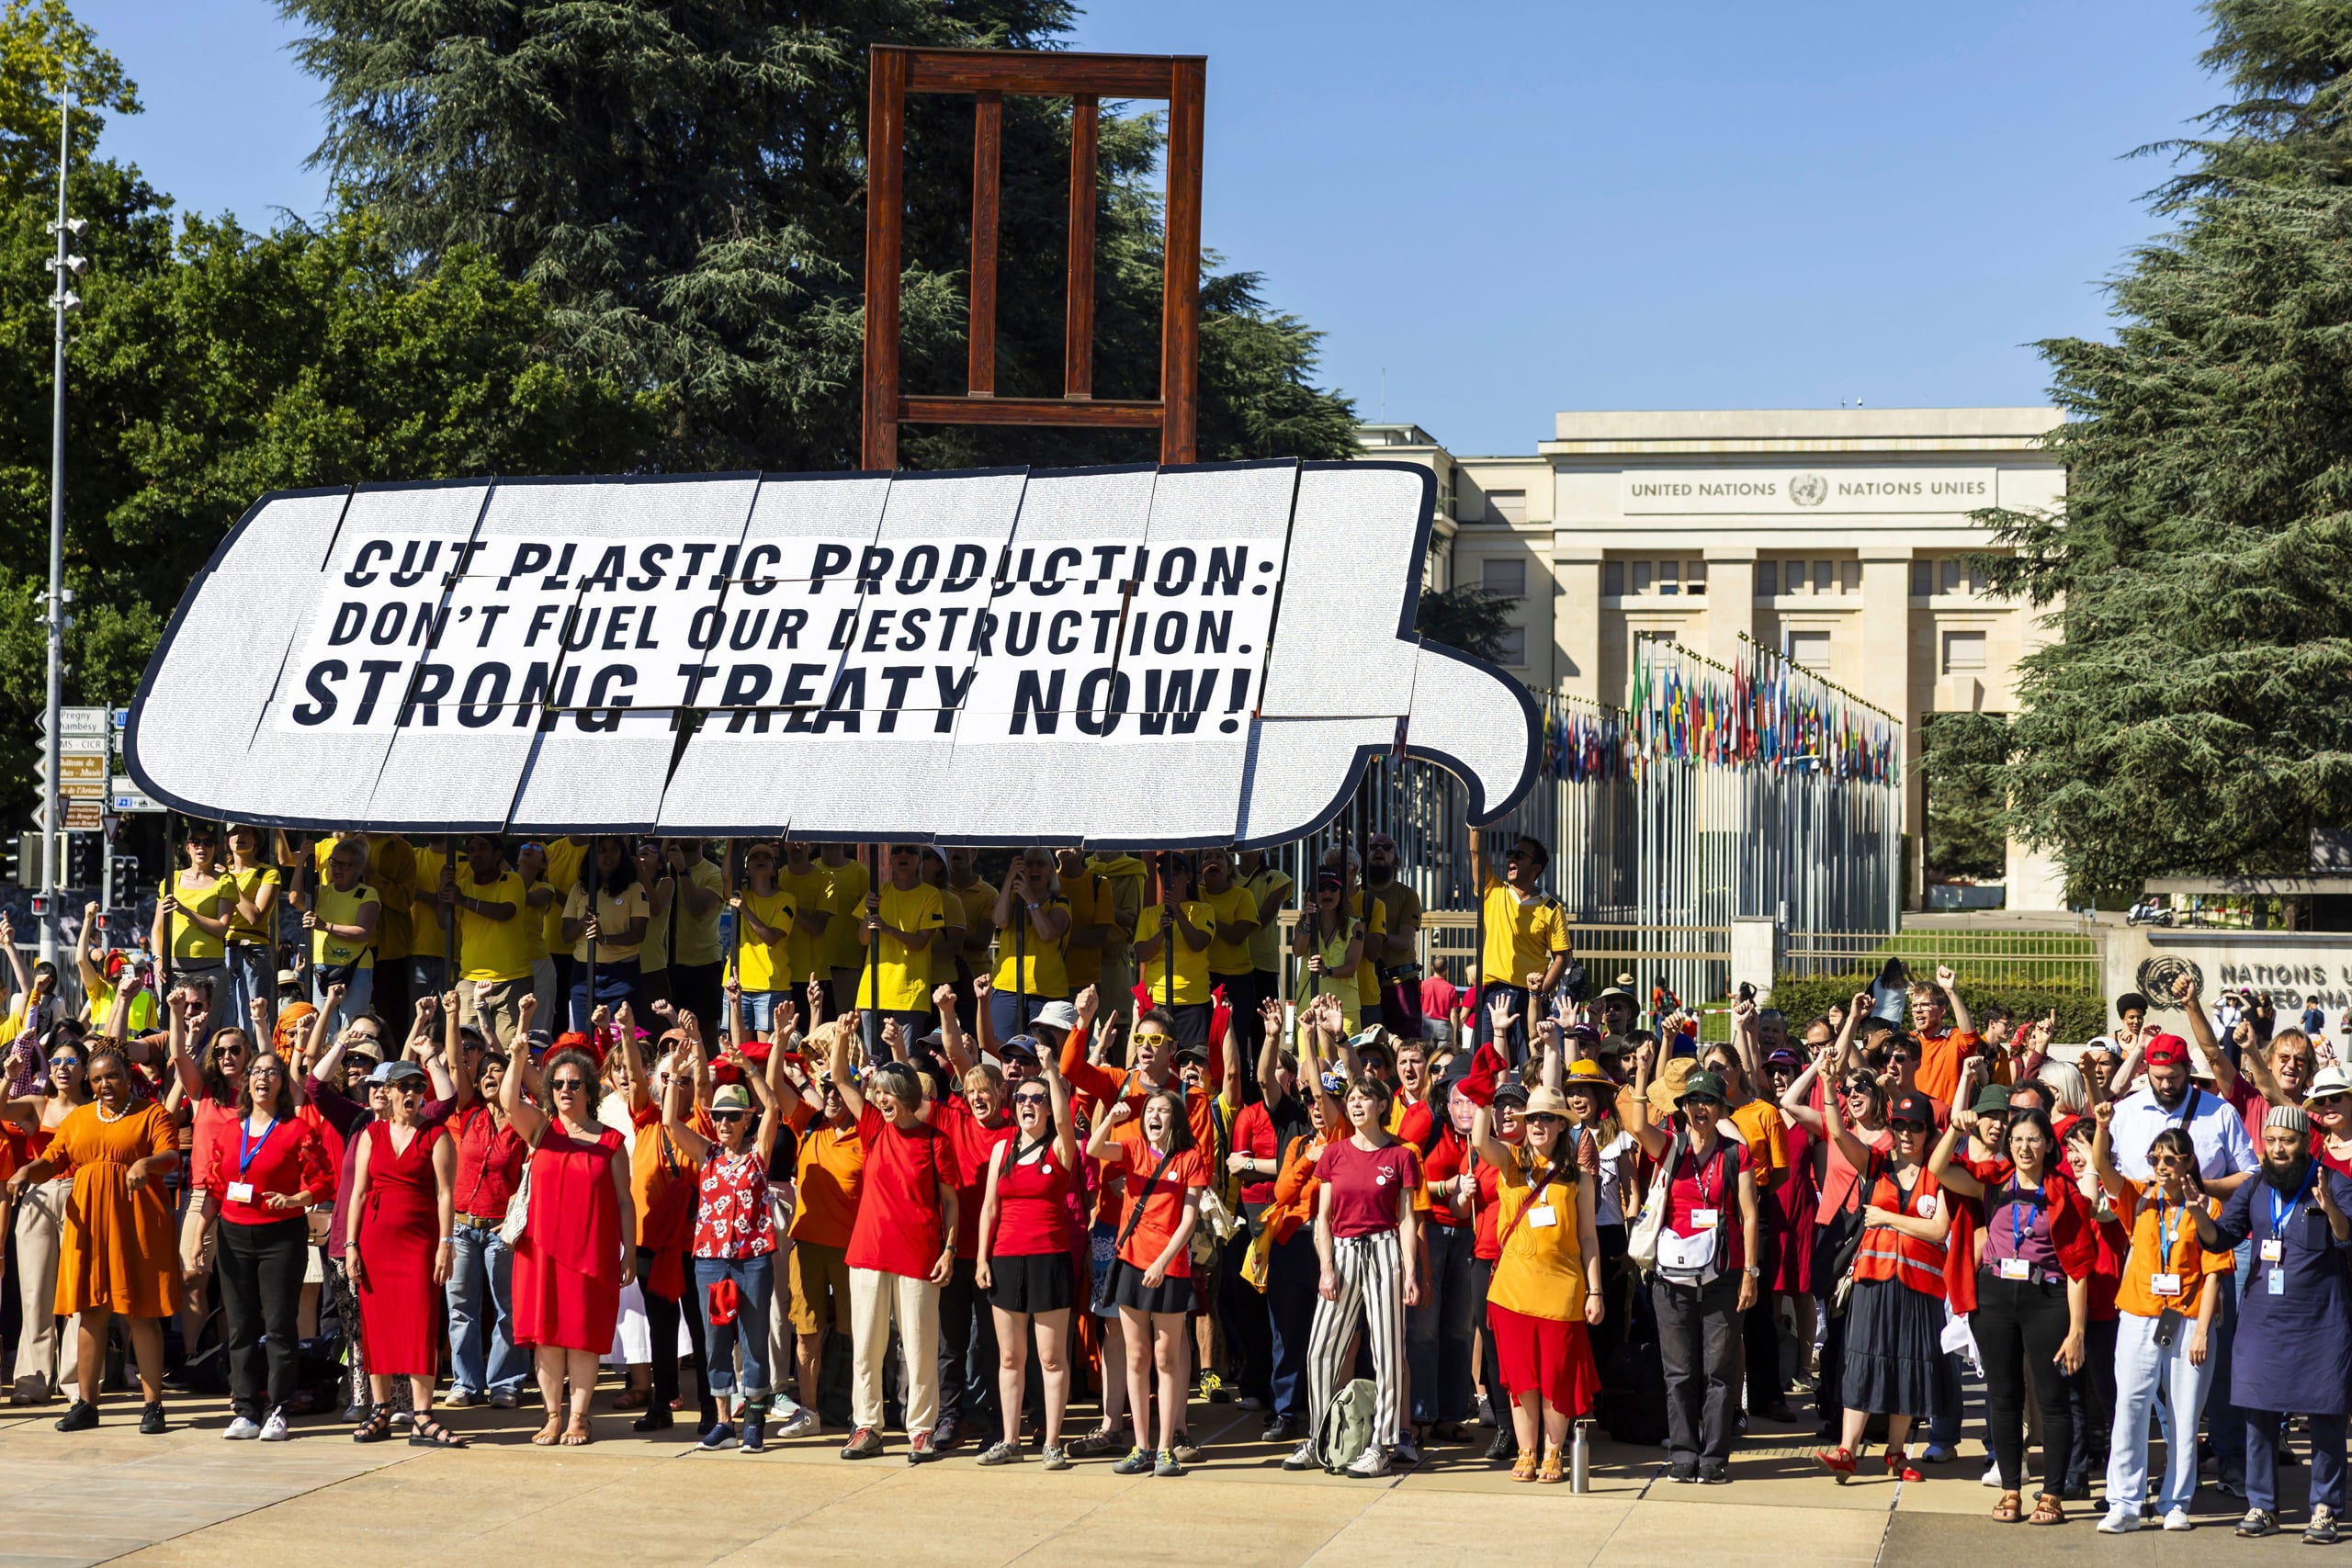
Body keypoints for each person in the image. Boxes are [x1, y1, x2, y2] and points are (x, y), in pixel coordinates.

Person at [1929, 1089, 2093, 1524]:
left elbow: (2078, 1268)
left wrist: (2076, 1330)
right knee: (2003, 1397)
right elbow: (1939, 1168)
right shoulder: (1992, 1180)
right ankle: (2010, 1488)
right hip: (1996, 1297)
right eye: (2017, 1139)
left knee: (2051, 1397)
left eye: (2034, 1140)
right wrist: (1953, 1129)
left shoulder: (2065, 1193)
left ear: (2048, 1146)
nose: (2024, 1147)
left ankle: (2052, 1494)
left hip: (2047, 1299)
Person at [6, 1044, 180, 1433]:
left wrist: (145, 1163)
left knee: (141, 1311)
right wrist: (25, 1172)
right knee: (90, 1311)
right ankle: (86, 1403)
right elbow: (52, 1159)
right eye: (98, 1078)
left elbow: (170, 1156)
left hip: (136, 1219)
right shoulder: (80, 1118)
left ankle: (153, 1405)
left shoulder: (150, 1113)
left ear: (127, 1075)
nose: (104, 1084)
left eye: (112, 1076)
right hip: (89, 1221)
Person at [2205, 1104, 2352, 1542]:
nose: (2277, 1149)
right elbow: (2223, 1236)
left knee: (2327, 1415)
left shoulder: (2334, 1182)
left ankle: (2325, 1508)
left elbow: (2348, 1236)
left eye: (2286, 1141)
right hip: (2262, 1322)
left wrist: (2331, 1213)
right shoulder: (2255, 1186)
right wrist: (2197, 1213)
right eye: (2270, 1141)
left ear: (2305, 1142)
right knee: (2258, 1414)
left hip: (2321, 1322)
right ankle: (2262, 1505)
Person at [2086, 1106, 2231, 1533]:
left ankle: (2176, 1501)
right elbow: (2100, 1165)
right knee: (2130, 1407)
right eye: (2155, 1158)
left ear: (2188, 1162)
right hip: (2139, 1314)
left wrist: (2203, 1330)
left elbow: (2213, 1273)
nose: (2161, 1166)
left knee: (2185, 1414)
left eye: (2170, 1159)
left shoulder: (2208, 1207)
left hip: (2186, 1320)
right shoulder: (2140, 1196)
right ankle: (2125, 1503)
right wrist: (2102, 1126)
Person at [828, 1016, 962, 1462]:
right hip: (868, 1253)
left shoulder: (935, 1141)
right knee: (865, 1345)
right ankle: (866, 1426)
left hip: (920, 1254)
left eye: (887, 1092)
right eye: (877, 1092)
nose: (879, 1098)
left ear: (906, 1096)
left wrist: (950, 1249)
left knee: (920, 1346)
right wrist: (844, 1038)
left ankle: (921, 1431)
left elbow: (951, 1202)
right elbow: (840, 1078)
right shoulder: (871, 1127)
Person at [1272, 1071, 1418, 1480]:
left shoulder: (1400, 1155)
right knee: (1320, 1350)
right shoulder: (1334, 1154)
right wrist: (1326, 1267)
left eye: (1365, 1099)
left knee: (1387, 1352)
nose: (1356, 1104)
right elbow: (1322, 1218)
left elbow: (1406, 1218)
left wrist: (1409, 1271)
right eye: (1351, 1099)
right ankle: (1322, 1438)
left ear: (1382, 1106)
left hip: (1385, 1247)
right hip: (1343, 1249)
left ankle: (1383, 1444)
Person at [1629, 1063, 1759, 1482]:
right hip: (1673, 1275)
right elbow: (1636, 1125)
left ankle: (1715, 1455)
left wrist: (1750, 1273)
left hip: (1724, 1271)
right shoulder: (1670, 1146)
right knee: (1679, 1371)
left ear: (1722, 1107)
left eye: (1709, 1100)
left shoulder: (1735, 1152)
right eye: (1694, 1100)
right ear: (1683, 1107)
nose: (1701, 1107)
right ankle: (1684, 1451)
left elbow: (1749, 1214)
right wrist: (1643, 1073)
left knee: (1720, 1371)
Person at [660, 1035, 791, 1453]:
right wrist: (675, 1074)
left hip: (752, 1260)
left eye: (733, 1116)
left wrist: (749, 1068)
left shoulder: (758, 1155)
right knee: (717, 1339)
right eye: (719, 1116)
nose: (725, 1123)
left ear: (746, 1120)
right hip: (713, 1261)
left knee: (754, 1338)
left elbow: (773, 1108)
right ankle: (722, 1422)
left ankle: (753, 1421)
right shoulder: (709, 1154)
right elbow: (669, 1124)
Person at [1815, 1085, 1951, 1484]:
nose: (1906, 1133)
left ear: (1928, 1131)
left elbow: (1938, 1229)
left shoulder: (1938, 1173)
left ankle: (1896, 1454)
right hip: (1873, 1281)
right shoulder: (1876, 1163)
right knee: (1862, 1360)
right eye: (1899, 1125)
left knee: (1907, 1366)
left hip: (1919, 1286)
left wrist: (1888, 1218)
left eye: (1915, 1126)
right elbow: (1839, 1134)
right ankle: (1847, 1451)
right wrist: (1828, 1080)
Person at [1470, 1077, 1601, 1483]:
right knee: (1522, 1379)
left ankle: (1553, 1453)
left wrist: (1595, 1290)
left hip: (1562, 1292)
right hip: (1511, 1291)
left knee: (1555, 1378)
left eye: (1547, 1117)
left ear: (1562, 1124)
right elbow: (1478, 1141)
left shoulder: (1577, 1176)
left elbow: (1587, 1238)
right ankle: (1526, 1452)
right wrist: (1482, 1093)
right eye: (1532, 1118)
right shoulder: (1510, 1160)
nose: (1537, 1124)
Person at [503, 1042, 634, 1446]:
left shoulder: (611, 1142)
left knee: (581, 1334)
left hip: (591, 1252)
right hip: (539, 1251)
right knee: (544, 1336)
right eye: (558, 1083)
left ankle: (579, 1417)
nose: (565, 1089)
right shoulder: (542, 1130)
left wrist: (628, 1250)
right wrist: (517, 1058)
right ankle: (553, 1414)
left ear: (590, 1091)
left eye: (575, 1083)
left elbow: (625, 1202)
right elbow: (508, 1102)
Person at [202, 1049, 332, 1441]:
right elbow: (214, 1185)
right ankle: (245, 1409)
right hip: (234, 1235)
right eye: (256, 1071)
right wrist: (197, 1235)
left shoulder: (297, 1130)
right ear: (246, 1081)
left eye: (271, 1073)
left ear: (281, 1083)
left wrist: (296, 1200)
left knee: (278, 1326)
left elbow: (324, 1179)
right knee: (239, 1325)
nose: (263, 1078)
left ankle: (278, 1408)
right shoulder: (229, 1130)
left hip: (281, 1236)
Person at [1090, 1086, 1211, 1477]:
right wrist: (1111, 1118)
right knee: (1136, 1355)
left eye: (1162, 1110)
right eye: (1150, 1110)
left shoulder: (1191, 1158)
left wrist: (1163, 1261)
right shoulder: (1134, 1148)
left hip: (1169, 1268)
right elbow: (1094, 1149)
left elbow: (1189, 1218)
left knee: (1166, 1356)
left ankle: (1165, 1447)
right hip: (1130, 1264)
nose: (1154, 1116)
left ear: (1175, 1119)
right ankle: (1140, 1446)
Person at [345, 1058, 465, 1448]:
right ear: (389, 1092)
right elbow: (358, 1193)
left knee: (420, 1323)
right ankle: (381, 1409)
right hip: (375, 1242)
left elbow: (446, 1194)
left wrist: (446, 1244)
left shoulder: (435, 1135)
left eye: (418, 1087)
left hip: (419, 1243)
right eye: (403, 1087)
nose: (411, 1094)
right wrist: (350, 1245)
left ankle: (423, 1415)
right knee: (376, 1326)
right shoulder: (370, 1134)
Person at [973, 1034, 1080, 1467]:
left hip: (1049, 1258)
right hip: (1005, 1258)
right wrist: (982, 1258)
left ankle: (1052, 1440)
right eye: (1021, 1099)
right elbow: (988, 1208)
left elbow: (1067, 1123)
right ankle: (1011, 1439)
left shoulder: (1060, 1146)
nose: (1029, 1104)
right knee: (1010, 1356)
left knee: (1051, 1358)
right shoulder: (1002, 1148)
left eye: (1037, 1098)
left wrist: (1051, 1072)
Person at [444, 1008, 527, 1410]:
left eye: (500, 1072)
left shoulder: (522, 1123)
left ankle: (506, 1383)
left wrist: (521, 1032)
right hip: (461, 1226)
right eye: (486, 1073)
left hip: (500, 1231)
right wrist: (452, 1015)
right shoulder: (468, 1112)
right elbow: (456, 1065)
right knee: (460, 1309)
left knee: (507, 1309)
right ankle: (465, 1383)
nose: (492, 1076)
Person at [6, 1034, 91, 1403]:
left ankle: (77, 1382)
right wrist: (8, 1077)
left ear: (85, 1069)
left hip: (83, 1194)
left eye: (71, 1062)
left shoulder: (94, 1108)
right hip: (40, 1196)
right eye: (55, 1062)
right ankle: (32, 1381)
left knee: (78, 1294)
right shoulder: (37, 1104)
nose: (62, 1069)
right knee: (35, 1292)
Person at [1464, 828, 1569, 1061]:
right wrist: (1476, 825)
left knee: (1532, 1067)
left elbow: (1562, 956)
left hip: (1529, 998)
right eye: (1510, 853)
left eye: (1519, 855)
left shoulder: (1552, 908)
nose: (1511, 859)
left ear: (1536, 868)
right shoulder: (1493, 889)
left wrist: (1539, 994)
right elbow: (1475, 853)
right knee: (1482, 1067)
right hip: (1492, 994)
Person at [293, 836, 381, 1032]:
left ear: (358, 868)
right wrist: (301, 863)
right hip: (322, 966)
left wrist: (326, 926)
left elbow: (363, 932)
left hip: (355, 966)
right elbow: (295, 899)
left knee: (352, 1026)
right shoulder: (321, 892)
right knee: (323, 1027)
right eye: (334, 863)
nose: (337, 869)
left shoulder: (367, 894)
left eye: (345, 865)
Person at [562, 838, 650, 1028]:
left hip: (621, 974)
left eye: (613, 850)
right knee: (584, 1036)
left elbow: (639, 934)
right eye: (601, 850)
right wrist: (582, 922)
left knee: (619, 1036)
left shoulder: (634, 889)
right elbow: (566, 936)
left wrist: (605, 939)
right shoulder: (578, 889)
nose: (607, 855)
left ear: (622, 855)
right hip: (583, 974)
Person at [1133, 854, 1216, 1050]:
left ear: (1188, 877)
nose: (1168, 877)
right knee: (1157, 1058)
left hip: (1193, 1001)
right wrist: (1162, 932)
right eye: (1163, 872)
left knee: (1194, 1060)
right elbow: (1142, 953)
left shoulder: (1203, 910)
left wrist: (1177, 910)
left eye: (1176, 871)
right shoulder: (1149, 913)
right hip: (1158, 999)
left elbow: (1198, 943)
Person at [990, 847, 1072, 1040]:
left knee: (1044, 1051)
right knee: (1006, 1049)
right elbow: (1000, 920)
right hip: (1007, 988)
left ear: (1051, 871)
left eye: (1041, 864)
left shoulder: (1060, 902)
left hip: (1046, 991)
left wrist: (1029, 898)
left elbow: (1047, 933)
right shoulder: (1011, 899)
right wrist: (1010, 878)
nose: (1034, 869)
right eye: (1029, 864)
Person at [1291, 870, 1365, 1040]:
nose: (1327, 892)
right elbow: (1298, 951)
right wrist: (1309, 920)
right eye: (1321, 888)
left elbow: (1351, 968)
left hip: (1344, 1010)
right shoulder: (1303, 924)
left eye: (1333, 888)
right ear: (1311, 895)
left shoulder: (1355, 927)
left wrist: (1327, 971)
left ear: (1341, 894)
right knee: (1309, 1064)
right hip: (1309, 1008)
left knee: (1343, 1064)